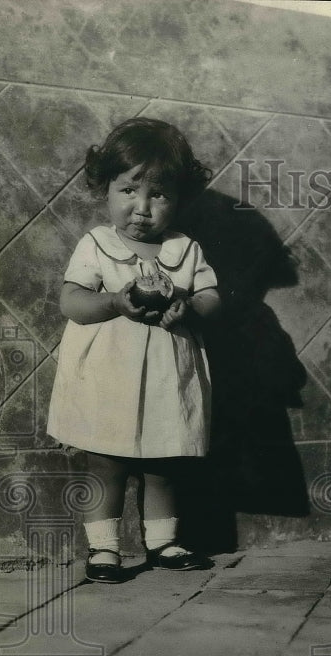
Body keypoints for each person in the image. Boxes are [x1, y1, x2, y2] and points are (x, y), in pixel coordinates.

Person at [47, 118, 221, 583]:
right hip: (110, 375)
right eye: (128, 191)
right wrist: (112, 301)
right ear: (105, 188)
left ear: (179, 198)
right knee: (107, 463)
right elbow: (71, 302)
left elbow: (211, 299)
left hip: (168, 375)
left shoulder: (185, 250)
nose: (142, 208)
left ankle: (163, 542)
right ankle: (104, 549)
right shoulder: (97, 245)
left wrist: (187, 307)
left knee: (166, 461)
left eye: (158, 195)